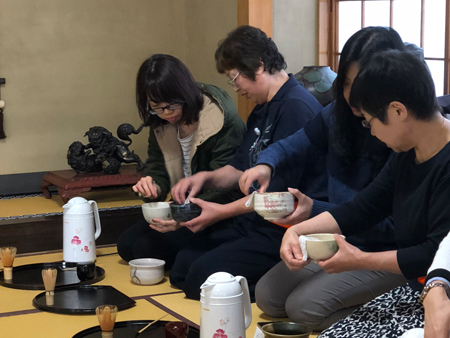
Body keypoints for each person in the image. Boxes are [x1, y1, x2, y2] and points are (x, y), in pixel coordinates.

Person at [238, 27, 408, 330]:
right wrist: (266, 165)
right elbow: (292, 145)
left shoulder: (400, 134)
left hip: (383, 252)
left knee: (303, 310)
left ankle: (399, 312)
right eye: (346, 82)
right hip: (338, 239)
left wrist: (314, 211)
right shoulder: (337, 115)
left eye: (362, 85)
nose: (353, 97)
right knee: (268, 297)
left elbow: (385, 223)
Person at [277, 50, 450, 338]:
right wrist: (297, 231)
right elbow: (364, 207)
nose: (371, 132)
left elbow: (435, 254)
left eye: (371, 122)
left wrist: (359, 260)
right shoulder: (409, 150)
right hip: (415, 285)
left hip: (435, 292)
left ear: (398, 111)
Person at [168, 25, 325, 300]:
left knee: (198, 281)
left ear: (258, 65)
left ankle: (283, 289)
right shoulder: (262, 107)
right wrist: (205, 177)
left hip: (283, 227)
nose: (235, 86)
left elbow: (276, 196)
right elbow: (240, 166)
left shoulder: (297, 108)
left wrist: (220, 211)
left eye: (235, 77)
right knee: (182, 268)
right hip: (253, 220)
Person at [116, 54, 245, 265]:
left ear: (185, 93)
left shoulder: (220, 121)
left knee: (145, 249)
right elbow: (157, 167)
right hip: (179, 208)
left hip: (217, 212)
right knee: (126, 245)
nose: (166, 113)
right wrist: (151, 185)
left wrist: (182, 215)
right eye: (156, 106)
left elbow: (225, 187)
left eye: (171, 105)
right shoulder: (160, 121)